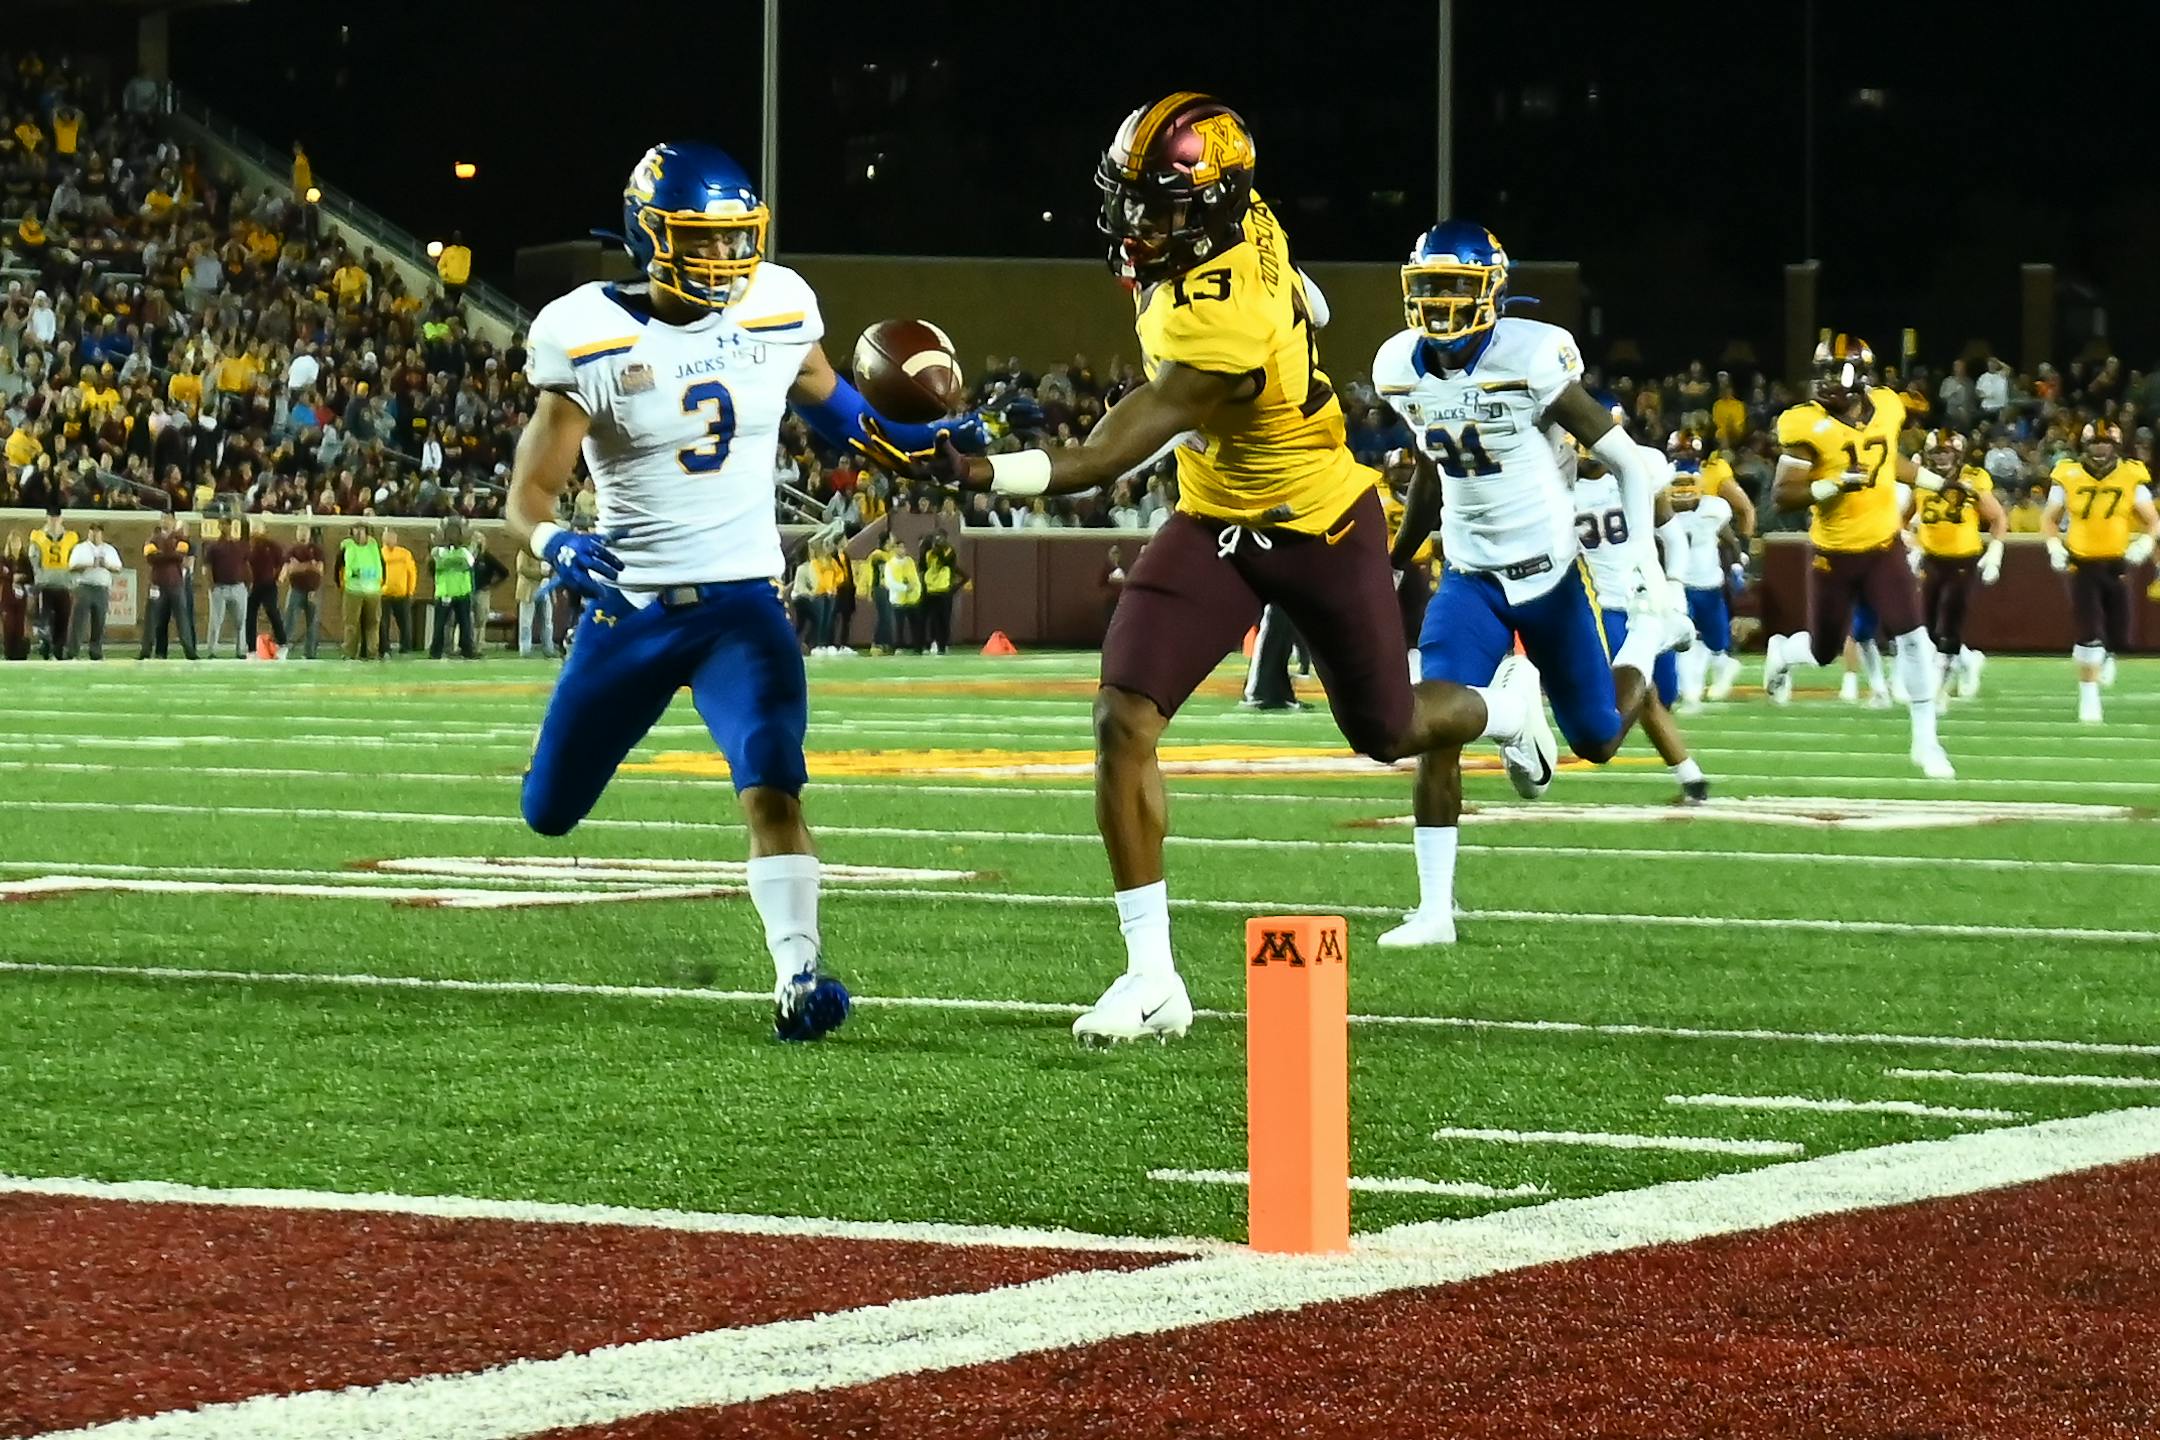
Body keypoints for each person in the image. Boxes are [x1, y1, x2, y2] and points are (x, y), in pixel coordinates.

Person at [865, 97, 1550, 1040]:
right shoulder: (1241, 219)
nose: (1134, 220)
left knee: (1387, 730)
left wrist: (983, 471)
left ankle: (1505, 709)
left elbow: (1103, 453)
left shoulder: (1225, 320)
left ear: (1212, 207)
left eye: (1157, 204)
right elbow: (1301, 292)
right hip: (1216, 519)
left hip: (1317, 520)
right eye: (1130, 197)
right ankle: (1151, 977)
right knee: (1123, 717)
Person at [506, 142, 971, 1040]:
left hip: (742, 605)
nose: (723, 259)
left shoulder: (778, 304)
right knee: (549, 811)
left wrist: (939, 442)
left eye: (733, 239)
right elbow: (529, 492)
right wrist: (552, 539)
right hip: (632, 607)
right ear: (649, 235)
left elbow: (846, 415)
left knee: (772, 774)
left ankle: (800, 975)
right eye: (700, 239)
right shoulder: (585, 332)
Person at [1373, 225, 1695, 944]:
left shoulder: (1531, 356)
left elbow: (1630, 464)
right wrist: (1397, 557)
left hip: (1550, 576)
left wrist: (1645, 572)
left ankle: (1641, 644)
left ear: (1490, 292)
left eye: (1456, 287)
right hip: (1469, 576)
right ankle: (1435, 911)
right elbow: (1431, 468)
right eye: (1429, 286)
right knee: (1433, 727)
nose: (1440, 301)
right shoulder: (1398, 365)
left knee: (1598, 738)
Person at [1760, 335, 1954, 779]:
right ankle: (1785, 652)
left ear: (1861, 377)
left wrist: (1938, 483)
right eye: (1823, 372)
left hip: (1884, 546)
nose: (1827, 381)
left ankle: (1926, 742)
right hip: (1834, 553)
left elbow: (1889, 461)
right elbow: (1782, 495)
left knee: (1913, 638)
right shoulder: (1805, 423)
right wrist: (1833, 485)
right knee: (1823, 651)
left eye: (1836, 372)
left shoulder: (1886, 405)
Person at [2043, 420, 2159, 724]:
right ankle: (2089, 698)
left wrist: (2146, 541)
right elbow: (2050, 518)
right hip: (2081, 561)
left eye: (2105, 443)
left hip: (2117, 562)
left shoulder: (2131, 474)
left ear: (2116, 446)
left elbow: (2152, 519)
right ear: (2085, 445)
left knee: (2120, 634)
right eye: (2095, 443)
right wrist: (2053, 545)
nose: (2100, 449)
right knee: (2090, 631)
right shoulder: (2067, 473)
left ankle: (2102, 654)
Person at [1909, 430, 2005, 699]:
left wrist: (1995, 551)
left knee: (1950, 621)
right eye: (1936, 452)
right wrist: (1912, 544)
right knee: (1927, 625)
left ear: (1958, 454)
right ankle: (1968, 661)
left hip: (1963, 558)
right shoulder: (1921, 480)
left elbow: (1997, 517)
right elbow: (1902, 517)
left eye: (1946, 452)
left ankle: (1939, 688)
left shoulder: (1973, 478)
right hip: (1931, 558)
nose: (1941, 458)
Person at [1661, 433, 1746, 708]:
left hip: (1709, 583)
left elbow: (1729, 539)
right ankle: (1690, 692)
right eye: (1679, 485)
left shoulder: (1714, 508)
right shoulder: (1661, 507)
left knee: (1716, 642)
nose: (1683, 490)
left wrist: (1737, 567)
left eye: (1689, 484)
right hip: (1678, 583)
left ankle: (1722, 668)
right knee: (1683, 638)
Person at [138, 509, 198, 659]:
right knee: (152, 619)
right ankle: (146, 651)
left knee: (182, 619)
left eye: (168, 518)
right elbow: (150, 557)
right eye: (163, 518)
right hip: (157, 584)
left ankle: (190, 651)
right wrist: (170, 554)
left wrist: (161, 554)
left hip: (176, 584)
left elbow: (180, 556)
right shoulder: (152, 539)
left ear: (173, 521)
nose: (165, 521)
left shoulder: (180, 538)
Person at [65, 520, 121, 659]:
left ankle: (96, 652)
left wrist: (105, 565)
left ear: (102, 533)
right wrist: (89, 564)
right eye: (92, 531)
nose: (95, 534)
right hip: (84, 586)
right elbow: (72, 566)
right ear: (89, 532)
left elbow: (118, 567)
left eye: (97, 531)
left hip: (101, 588)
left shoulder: (109, 549)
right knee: (78, 621)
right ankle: (72, 652)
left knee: (99, 622)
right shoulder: (81, 548)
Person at [428, 518, 480, 659]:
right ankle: (436, 651)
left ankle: (467, 650)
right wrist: (456, 562)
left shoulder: (463, 552)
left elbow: (468, 564)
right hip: (445, 592)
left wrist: (450, 562)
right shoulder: (438, 551)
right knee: (440, 625)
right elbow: (439, 564)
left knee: (465, 624)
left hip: (462, 592)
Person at [204, 518, 251, 658]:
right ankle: (212, 650)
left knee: (241, 621)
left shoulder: (240, 546)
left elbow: (246, 564)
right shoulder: (213, 547)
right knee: (216, 621)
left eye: (228, 524)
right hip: (220, 587)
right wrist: (211, 586)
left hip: (238, 587)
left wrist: (248, 583)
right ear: (219, 527)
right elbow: (207, 567)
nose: (225, 527)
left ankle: (241, 650)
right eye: (223, 524)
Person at [338, 521, 385, 660]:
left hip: (373, 591)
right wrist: (341, 583)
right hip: (353, 590)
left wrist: (381, 583)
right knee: (351, 624)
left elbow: (382, 566)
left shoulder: (374, 546)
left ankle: (372, 653)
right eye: (356, 529)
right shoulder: (347, 546)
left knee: (373, 624)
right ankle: (349, 654)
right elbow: (338, 566)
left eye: (362, 529)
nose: (359, 533)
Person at [281, 524, 324, 659]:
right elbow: (288, 569)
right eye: (300, 530)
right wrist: (309, 565)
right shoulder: (291, 550)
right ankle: (282, 650)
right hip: (296, 589)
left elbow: (319, 569)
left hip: (313, 591)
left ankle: (310, 653)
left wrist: (299, 566)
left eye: (305, 531)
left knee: (313, 623)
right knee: (289, 621)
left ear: (309, 533)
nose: (302, 534)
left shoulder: (316, 550)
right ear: (296, 532)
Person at [246, 523, 289, 657]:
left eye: (257, 528)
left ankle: (282, 643)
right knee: (250, 615)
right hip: (254, 584)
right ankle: (251, 649)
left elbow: (283, 562)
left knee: (272, 610)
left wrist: (280, 576)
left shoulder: (271, 546)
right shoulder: (248, 546)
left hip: (269, 584)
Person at [919, 530, 964, 655]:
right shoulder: (928, 553)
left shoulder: (949, 551)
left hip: (944, 589)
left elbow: (946, 561)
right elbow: (922, 566)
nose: (939, 541)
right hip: (931, 590)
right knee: (933, 619)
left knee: (944, 619)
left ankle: (943, 644)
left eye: (941, 539)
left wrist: (953, 588)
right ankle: (933, 642)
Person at [514, 541, 558, 657]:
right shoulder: (525, 552)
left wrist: (552, 590)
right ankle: (525, 650)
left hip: (545, 589)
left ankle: (548, 649)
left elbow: (552, 571)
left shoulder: (547, 553)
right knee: (526, 623)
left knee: (547, 622)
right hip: (528, 590)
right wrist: (540, 574)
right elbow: (522, 569)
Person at [379, 527, 418, 654]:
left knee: (405, 623)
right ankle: (384, 648)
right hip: (383, 594)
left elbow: (412, 573)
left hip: (402, 594)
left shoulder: (404, 554)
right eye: (387, 537)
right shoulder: (379, 554)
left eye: (392, 537)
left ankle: (406, 647)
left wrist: (410, 591)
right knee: (383, 623)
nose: (390, 540)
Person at [883, 536, 923, 652]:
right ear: (894, 549)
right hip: (898, 599)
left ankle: (918, 647)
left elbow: (915, 578)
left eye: (903, 547)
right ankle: (898, 647)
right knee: (898, 625)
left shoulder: (910, 561)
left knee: (915, 624)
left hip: (912, 599)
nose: (902, 550)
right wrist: (905, 588)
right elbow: (889, 582)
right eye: (899, 547)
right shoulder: (890, 564)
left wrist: (917, 591)